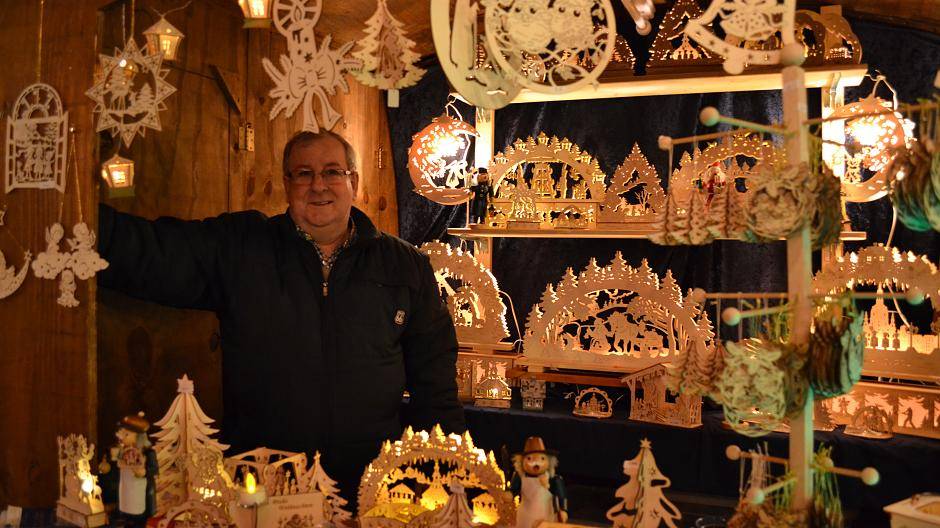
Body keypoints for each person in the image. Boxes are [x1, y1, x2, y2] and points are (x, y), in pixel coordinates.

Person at [97, 130, 466, 507]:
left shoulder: (405, 266)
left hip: (372, 491)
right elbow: (153, 253)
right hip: (263, 490)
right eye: (303, 174)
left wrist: (446, 477)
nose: (318, 185)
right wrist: (82, 224)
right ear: (287, 184)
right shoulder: (241, 248)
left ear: (353, 182)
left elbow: (434, 383)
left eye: (332, 172)